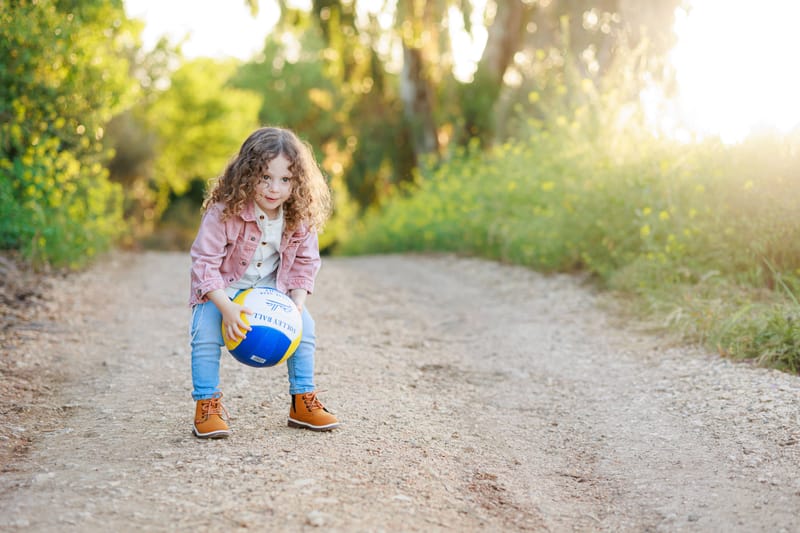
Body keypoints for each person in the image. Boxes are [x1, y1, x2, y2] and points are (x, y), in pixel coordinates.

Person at [188, 126, 339, 438]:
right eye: (265, 177)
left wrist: (296, 304)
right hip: (223, 291)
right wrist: (227, 308)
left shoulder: (298, 217)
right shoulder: (223, 212)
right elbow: (204, 263)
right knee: (204, 333)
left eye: (285, 180)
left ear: (297, 182)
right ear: (247, 174)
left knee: (306, 328)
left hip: (272, 291)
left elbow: (305, 262)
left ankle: (302, 400)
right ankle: (206, 404)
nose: (274, 189)